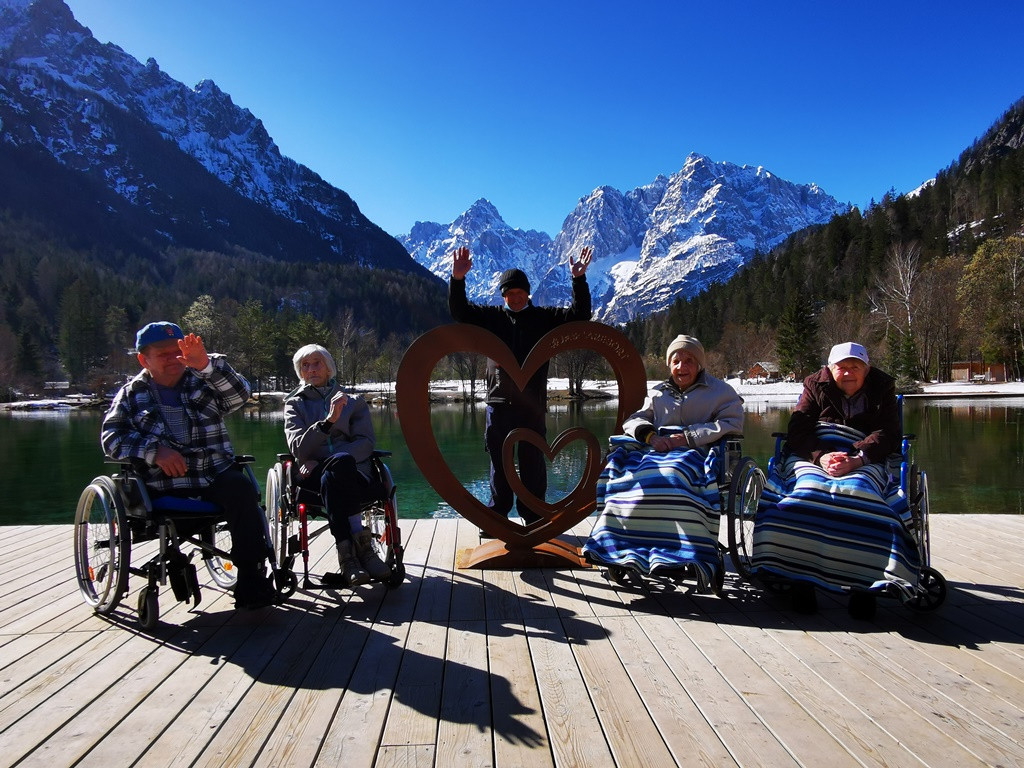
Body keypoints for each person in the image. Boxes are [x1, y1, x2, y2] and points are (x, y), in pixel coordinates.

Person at [101, 321, 277, 610]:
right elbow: (111, 438)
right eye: (164, 354)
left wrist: (205, 365)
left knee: (243, 491)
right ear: (144, 359)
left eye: (178, 351)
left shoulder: (204, 379)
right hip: (160, 482)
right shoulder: (131, 395)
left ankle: (252, 578)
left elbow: (240, 395)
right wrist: (153, 451)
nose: (174, 358)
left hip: (211, 474)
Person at [751, 342, 919, 619]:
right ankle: (801, 582)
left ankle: (865, 587)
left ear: (867, 370)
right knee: (804, 495)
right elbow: (799, 428)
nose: (848, 373)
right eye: (842, 367)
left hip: (864, 455)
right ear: (831, 370)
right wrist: (822, 456)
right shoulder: (814, 385)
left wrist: (859, 457)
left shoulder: (882, 387)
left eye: (855, 367)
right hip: (815, 453)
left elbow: (887, 432)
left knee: (862, 497)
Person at [448, 245, 593, 527]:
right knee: (499, 466)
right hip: (498, 404)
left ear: (528, 293)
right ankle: (498, 520)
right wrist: (457, 279)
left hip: (531, 406)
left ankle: (534, 517)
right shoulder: (491, 318)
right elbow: (460, 313)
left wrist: (579, 280)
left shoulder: (544, 318)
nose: (514, 297)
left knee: (532, 465)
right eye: (509, 293)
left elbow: (580, 316)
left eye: (519, 292)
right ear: (503, 296)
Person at [583, 335, 743, 588]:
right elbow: (634, 419)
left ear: (699, 364)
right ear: (669, 365)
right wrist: (650, 436)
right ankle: (619, 548)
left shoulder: (721, 391)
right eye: (676, 361)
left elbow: (732, 422)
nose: (682, 367)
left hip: (697, 451)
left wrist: (689, 437)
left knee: (673, 475)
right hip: (658, 449)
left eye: (689, 360)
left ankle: (681, 552)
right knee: (626, 476)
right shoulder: (658, 392)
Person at [283, 344, 390, 586]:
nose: (311, 369)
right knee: (333, 473)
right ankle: (363, 551)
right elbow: (298, 448)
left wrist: (327, 459)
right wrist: (328, 422)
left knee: (336, 470)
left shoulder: (353, 402)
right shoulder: (294, 405)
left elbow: (366, 443)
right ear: (300, 372)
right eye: (305, 365)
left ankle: (348, 559)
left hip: (351, 471)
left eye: (316, 363)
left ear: (329, 367)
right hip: (311, 476)